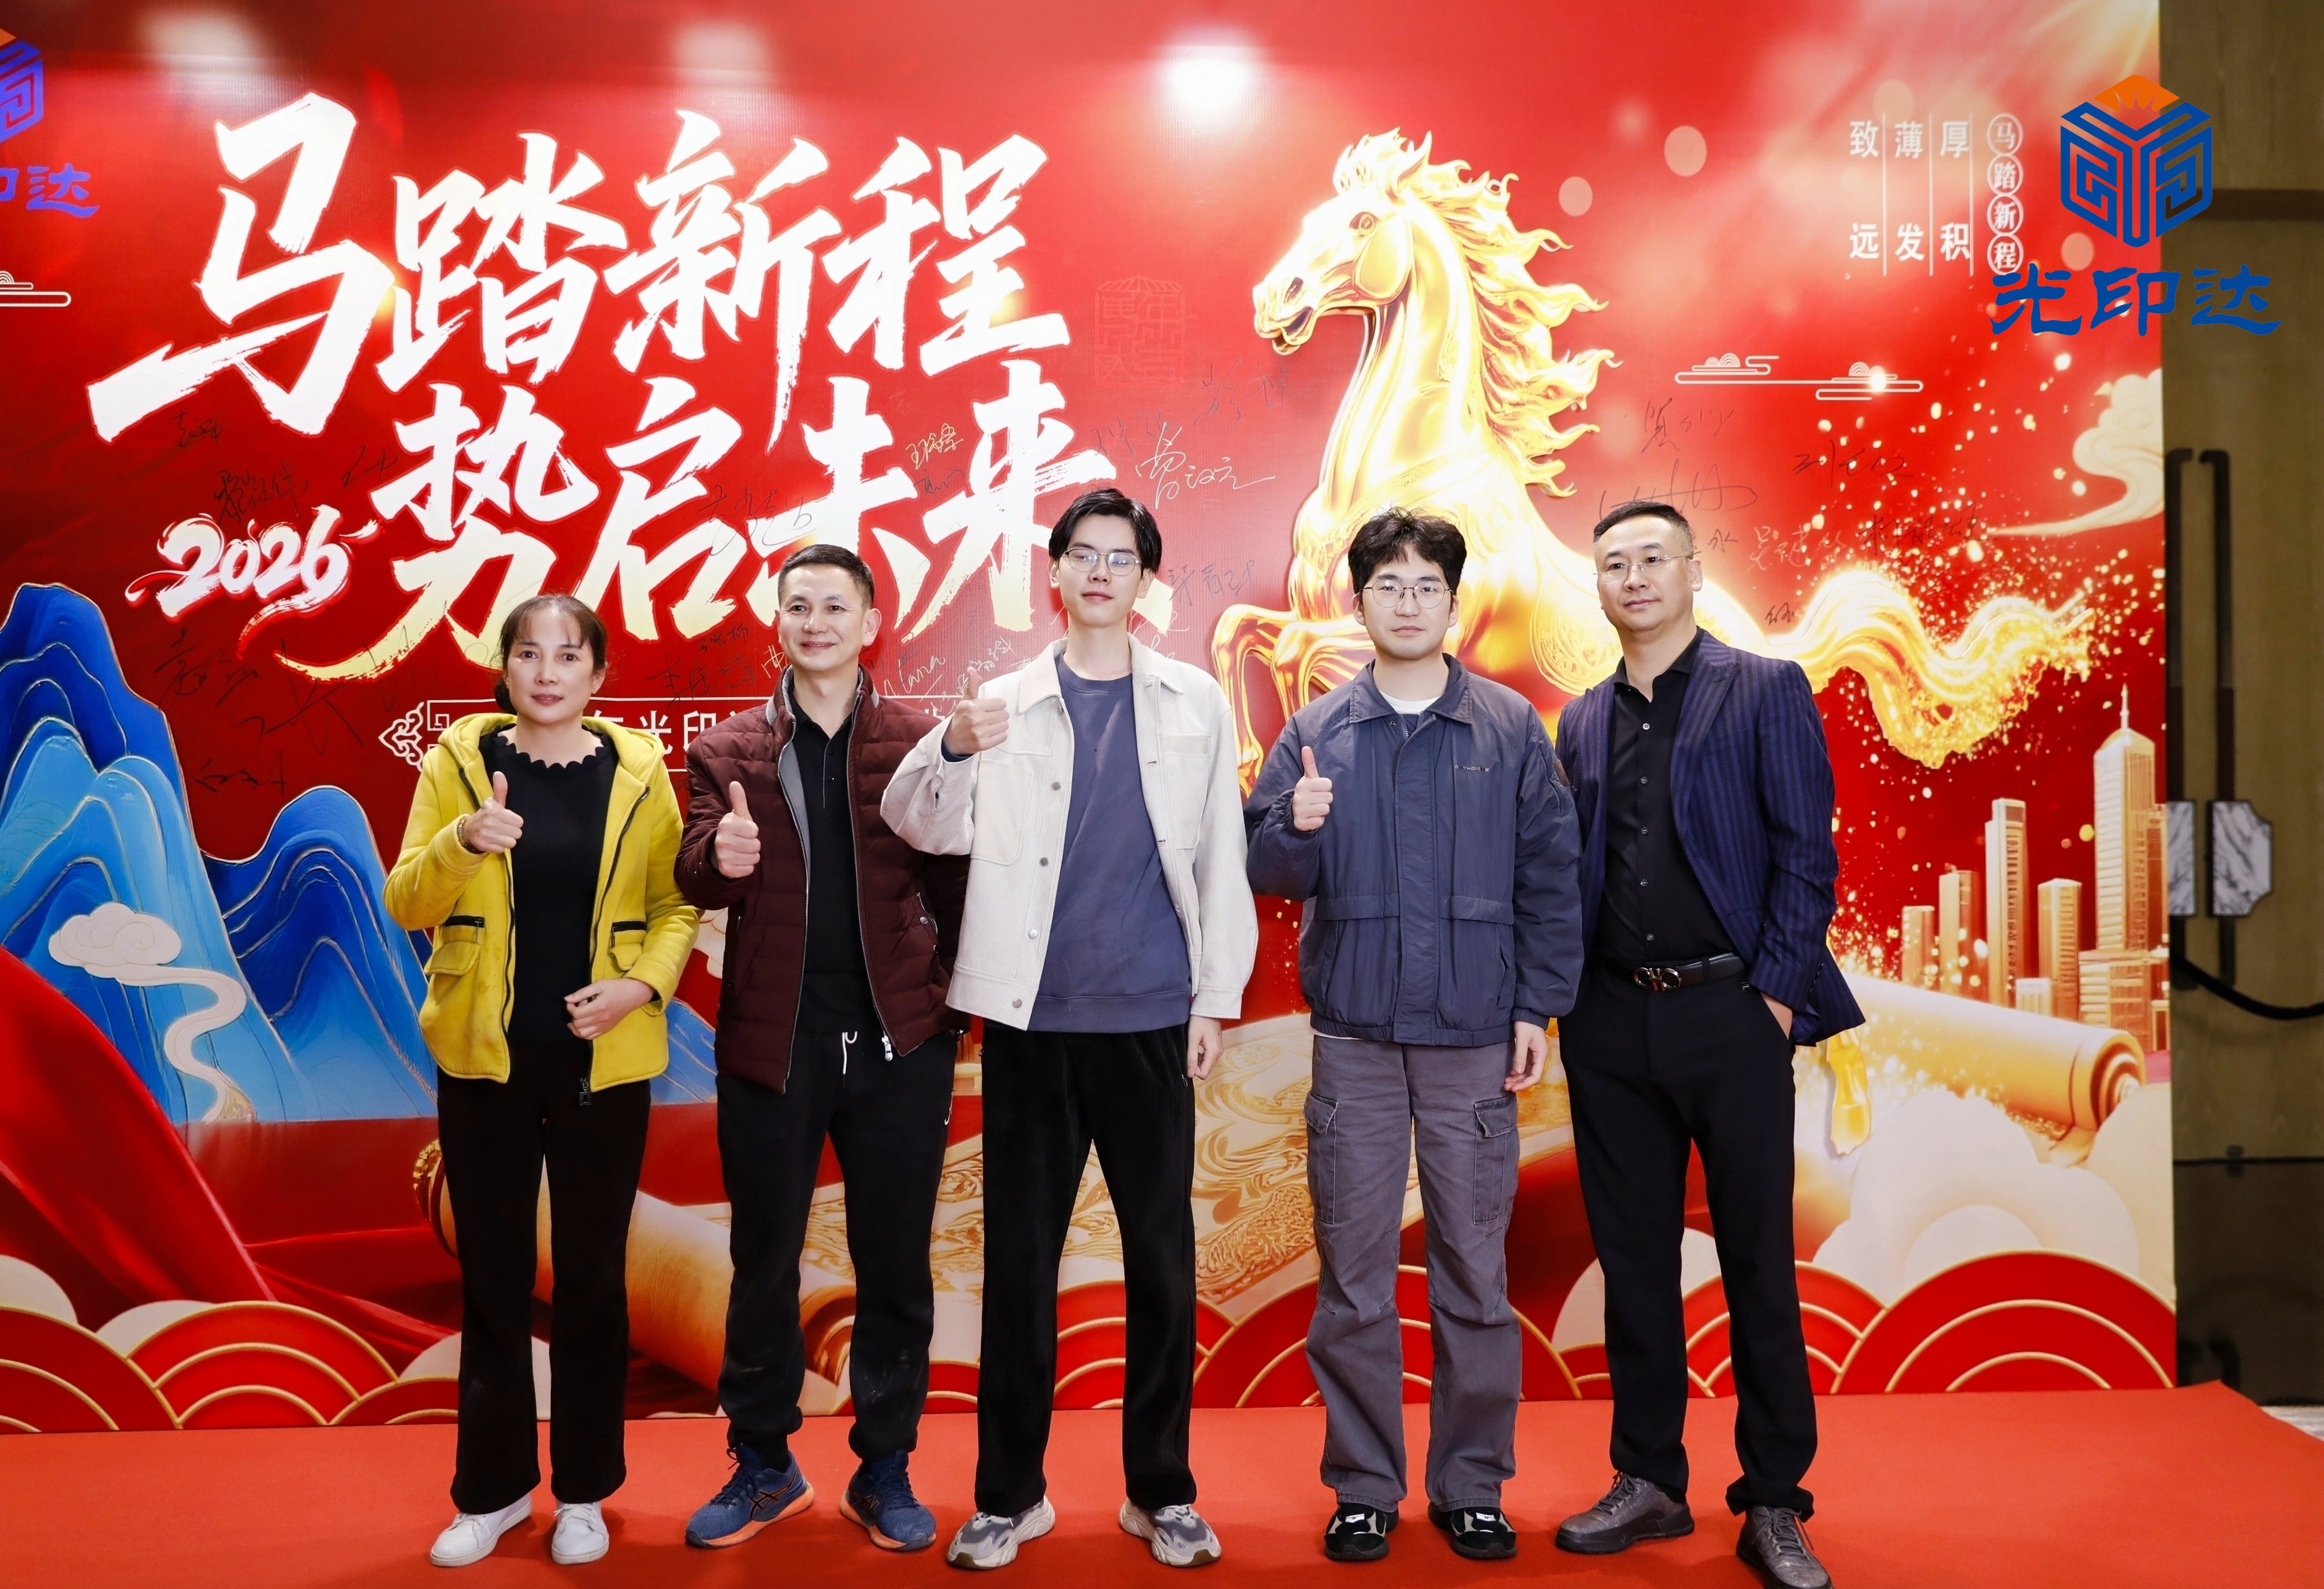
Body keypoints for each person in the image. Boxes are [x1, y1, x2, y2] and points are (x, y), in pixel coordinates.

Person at [883, 486, 1258, 1572]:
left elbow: (1222, 858)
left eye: (1121, 556)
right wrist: (954, 747)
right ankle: (1010, 1496)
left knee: (1162, 1267)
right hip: (1030, 1025)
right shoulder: (1003, 701)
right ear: (1054, 573)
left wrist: (1213, 999)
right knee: (1019, 1267)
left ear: (1147, 579)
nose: (1100, 571)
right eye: (1082, 554)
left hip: (1152, 1020)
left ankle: (1162, 1492)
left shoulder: (1193, 700)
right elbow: (917, 823)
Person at [1244, 508, 1582, 1565]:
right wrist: (1294, 825)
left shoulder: (1508, 728)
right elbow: (1267, 870)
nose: (1406, 602)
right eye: (1386, 584)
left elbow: (1551, 875)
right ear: (1359, 603)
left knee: (1474, 1273)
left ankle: (1472, 1485)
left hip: (1474, 1039)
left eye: (1425, 584)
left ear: (1452, 602)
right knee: (1352, 1276)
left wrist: (1535, 1008)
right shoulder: (1317, 732)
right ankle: (1363, 1489)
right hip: (1354, 1041)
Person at [1550, 501, 1861, 1589]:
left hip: (1733, 1013)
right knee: (1633, 1265)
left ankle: (1775, 1500)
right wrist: (1562, 1007)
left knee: (1757, 1265)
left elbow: (1806, 857)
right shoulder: (1581, 720)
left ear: (1690, 571)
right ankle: (1648, 1480)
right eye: (1614, 564)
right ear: (1597, 587)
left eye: (1653, 558)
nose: (1633, 577)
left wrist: (1773, 998)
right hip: (1608, 1022)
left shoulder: (1765, 689)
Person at [385, 594, 698, 1570]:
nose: (548, 672)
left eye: (569, 656)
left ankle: (584, 1494)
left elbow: (676, 906)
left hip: (604, 1062)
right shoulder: (458, 763)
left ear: (598, 676)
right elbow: (405, 901)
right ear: (506, 667)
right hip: (484, 1062)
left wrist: (639, 987)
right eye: (530, 653)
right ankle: (492, 1492)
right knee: (495, 1283)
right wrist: (462, 842)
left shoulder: (639, 771)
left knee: (594, 1283)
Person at [672, 544, 968, 1555]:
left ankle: (884, 1468)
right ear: (779, 622)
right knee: (762, 1260)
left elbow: (959, 885)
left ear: (871, 622)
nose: (815, 622)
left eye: (835, 606)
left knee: (895, 1266)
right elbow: (693, 870)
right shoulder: (726, 750)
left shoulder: (921, 744)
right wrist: (719, 856)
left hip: (899, 1045)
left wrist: (944, 1007)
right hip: (774, 1042)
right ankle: (764, 1464)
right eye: (798, 605)